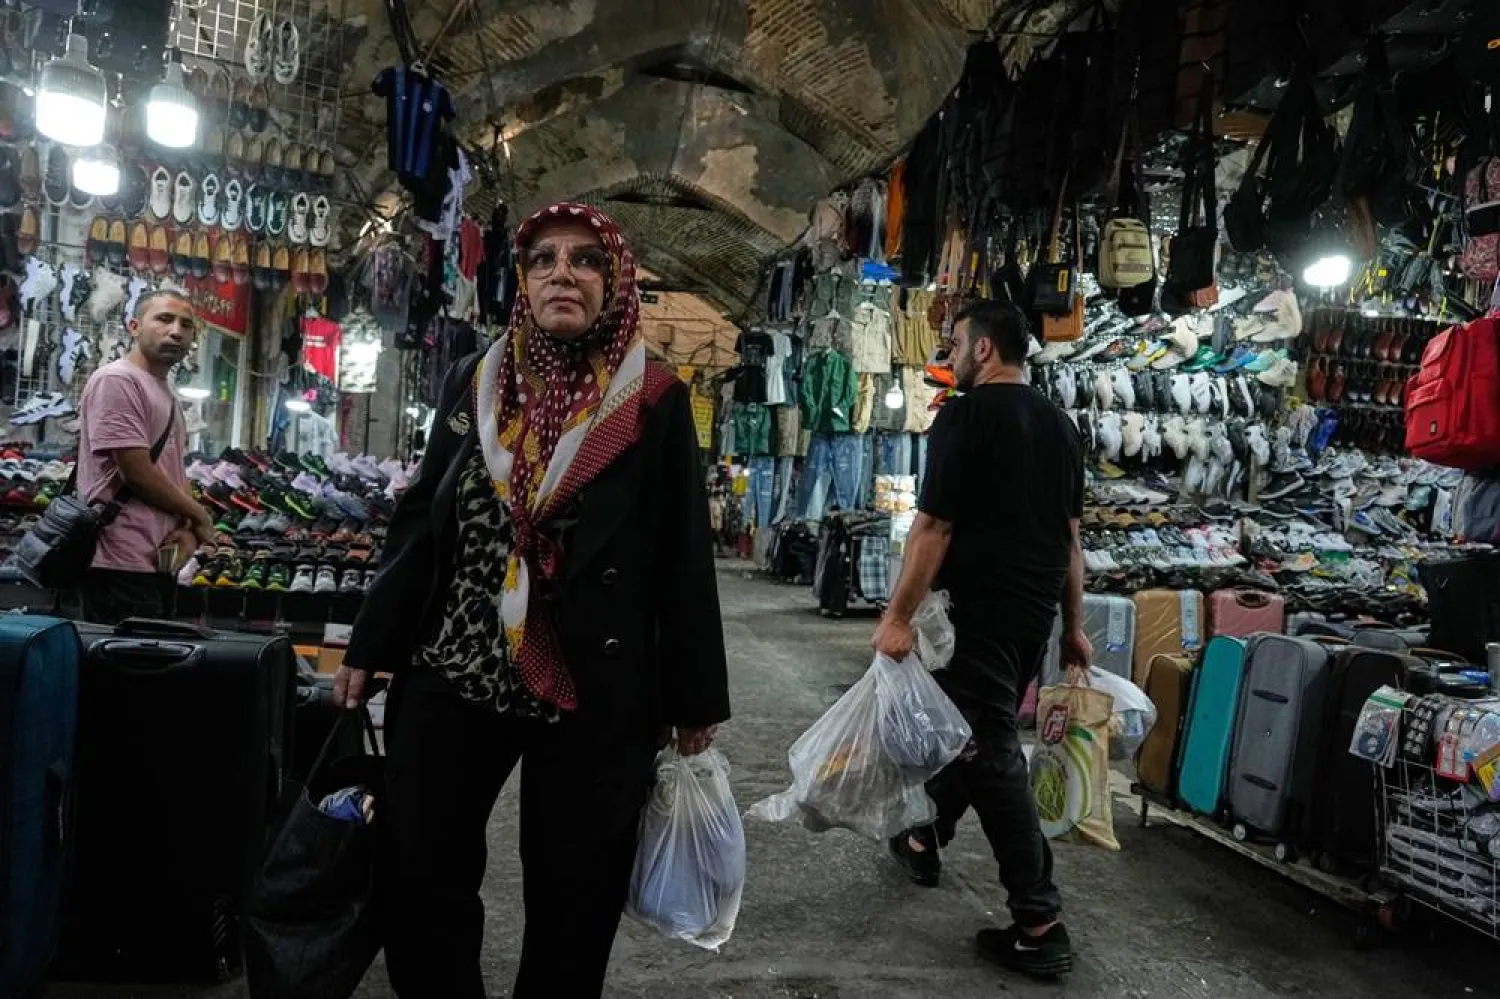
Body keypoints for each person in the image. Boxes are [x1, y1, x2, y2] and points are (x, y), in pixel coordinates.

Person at [336, 202, 730, 999]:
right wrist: (372, 642)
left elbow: (683, 554)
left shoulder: (652, 402)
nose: (563, 273)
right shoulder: (475, 381)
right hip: (460, 660)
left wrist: (694, 696)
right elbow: (421, 519)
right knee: (418, 864)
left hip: (592, 681)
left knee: (574, 894)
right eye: (544, 259)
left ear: (612, 282)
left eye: (585, 261)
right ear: (522, 279)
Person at [872, 299, 1088, 979]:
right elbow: (1072, 540)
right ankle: (923, 836)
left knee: (989, 748)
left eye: (956, 343)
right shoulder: (1060, 424)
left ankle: (1039, 920)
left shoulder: (964, 416)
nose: (951, 353)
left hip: (976, 612)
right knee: (971, 731)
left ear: (985, 349)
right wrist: (1074, 628)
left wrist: (898, 615)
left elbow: (933, 527)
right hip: (1031, 615)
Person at [75, 289, 212, 624]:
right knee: (123, 672)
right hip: (117, 561)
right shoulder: (118, 381)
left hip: (156, 560)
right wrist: (200, 516)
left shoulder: (163, 391)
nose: (176, 331)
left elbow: (172, 471)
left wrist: (188, 528)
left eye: (186, 325)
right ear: (134, 326)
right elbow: (135, 471)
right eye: (164, 319)